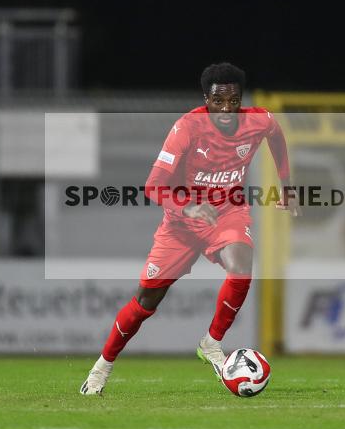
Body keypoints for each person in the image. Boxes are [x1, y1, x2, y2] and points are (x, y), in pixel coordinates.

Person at [80, 62, 297, 395]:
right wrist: (188, 207)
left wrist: (286, 183)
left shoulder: (259, 120)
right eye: (218, 101)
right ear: (205, 99)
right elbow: (153, 187)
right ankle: (102, 366)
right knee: (145, 303)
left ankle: (211, 342)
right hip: (181, 224)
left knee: (241, 267)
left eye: (234, 101)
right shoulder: (186, 128)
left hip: (227, 212)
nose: (227, 109)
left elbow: (276, 134)